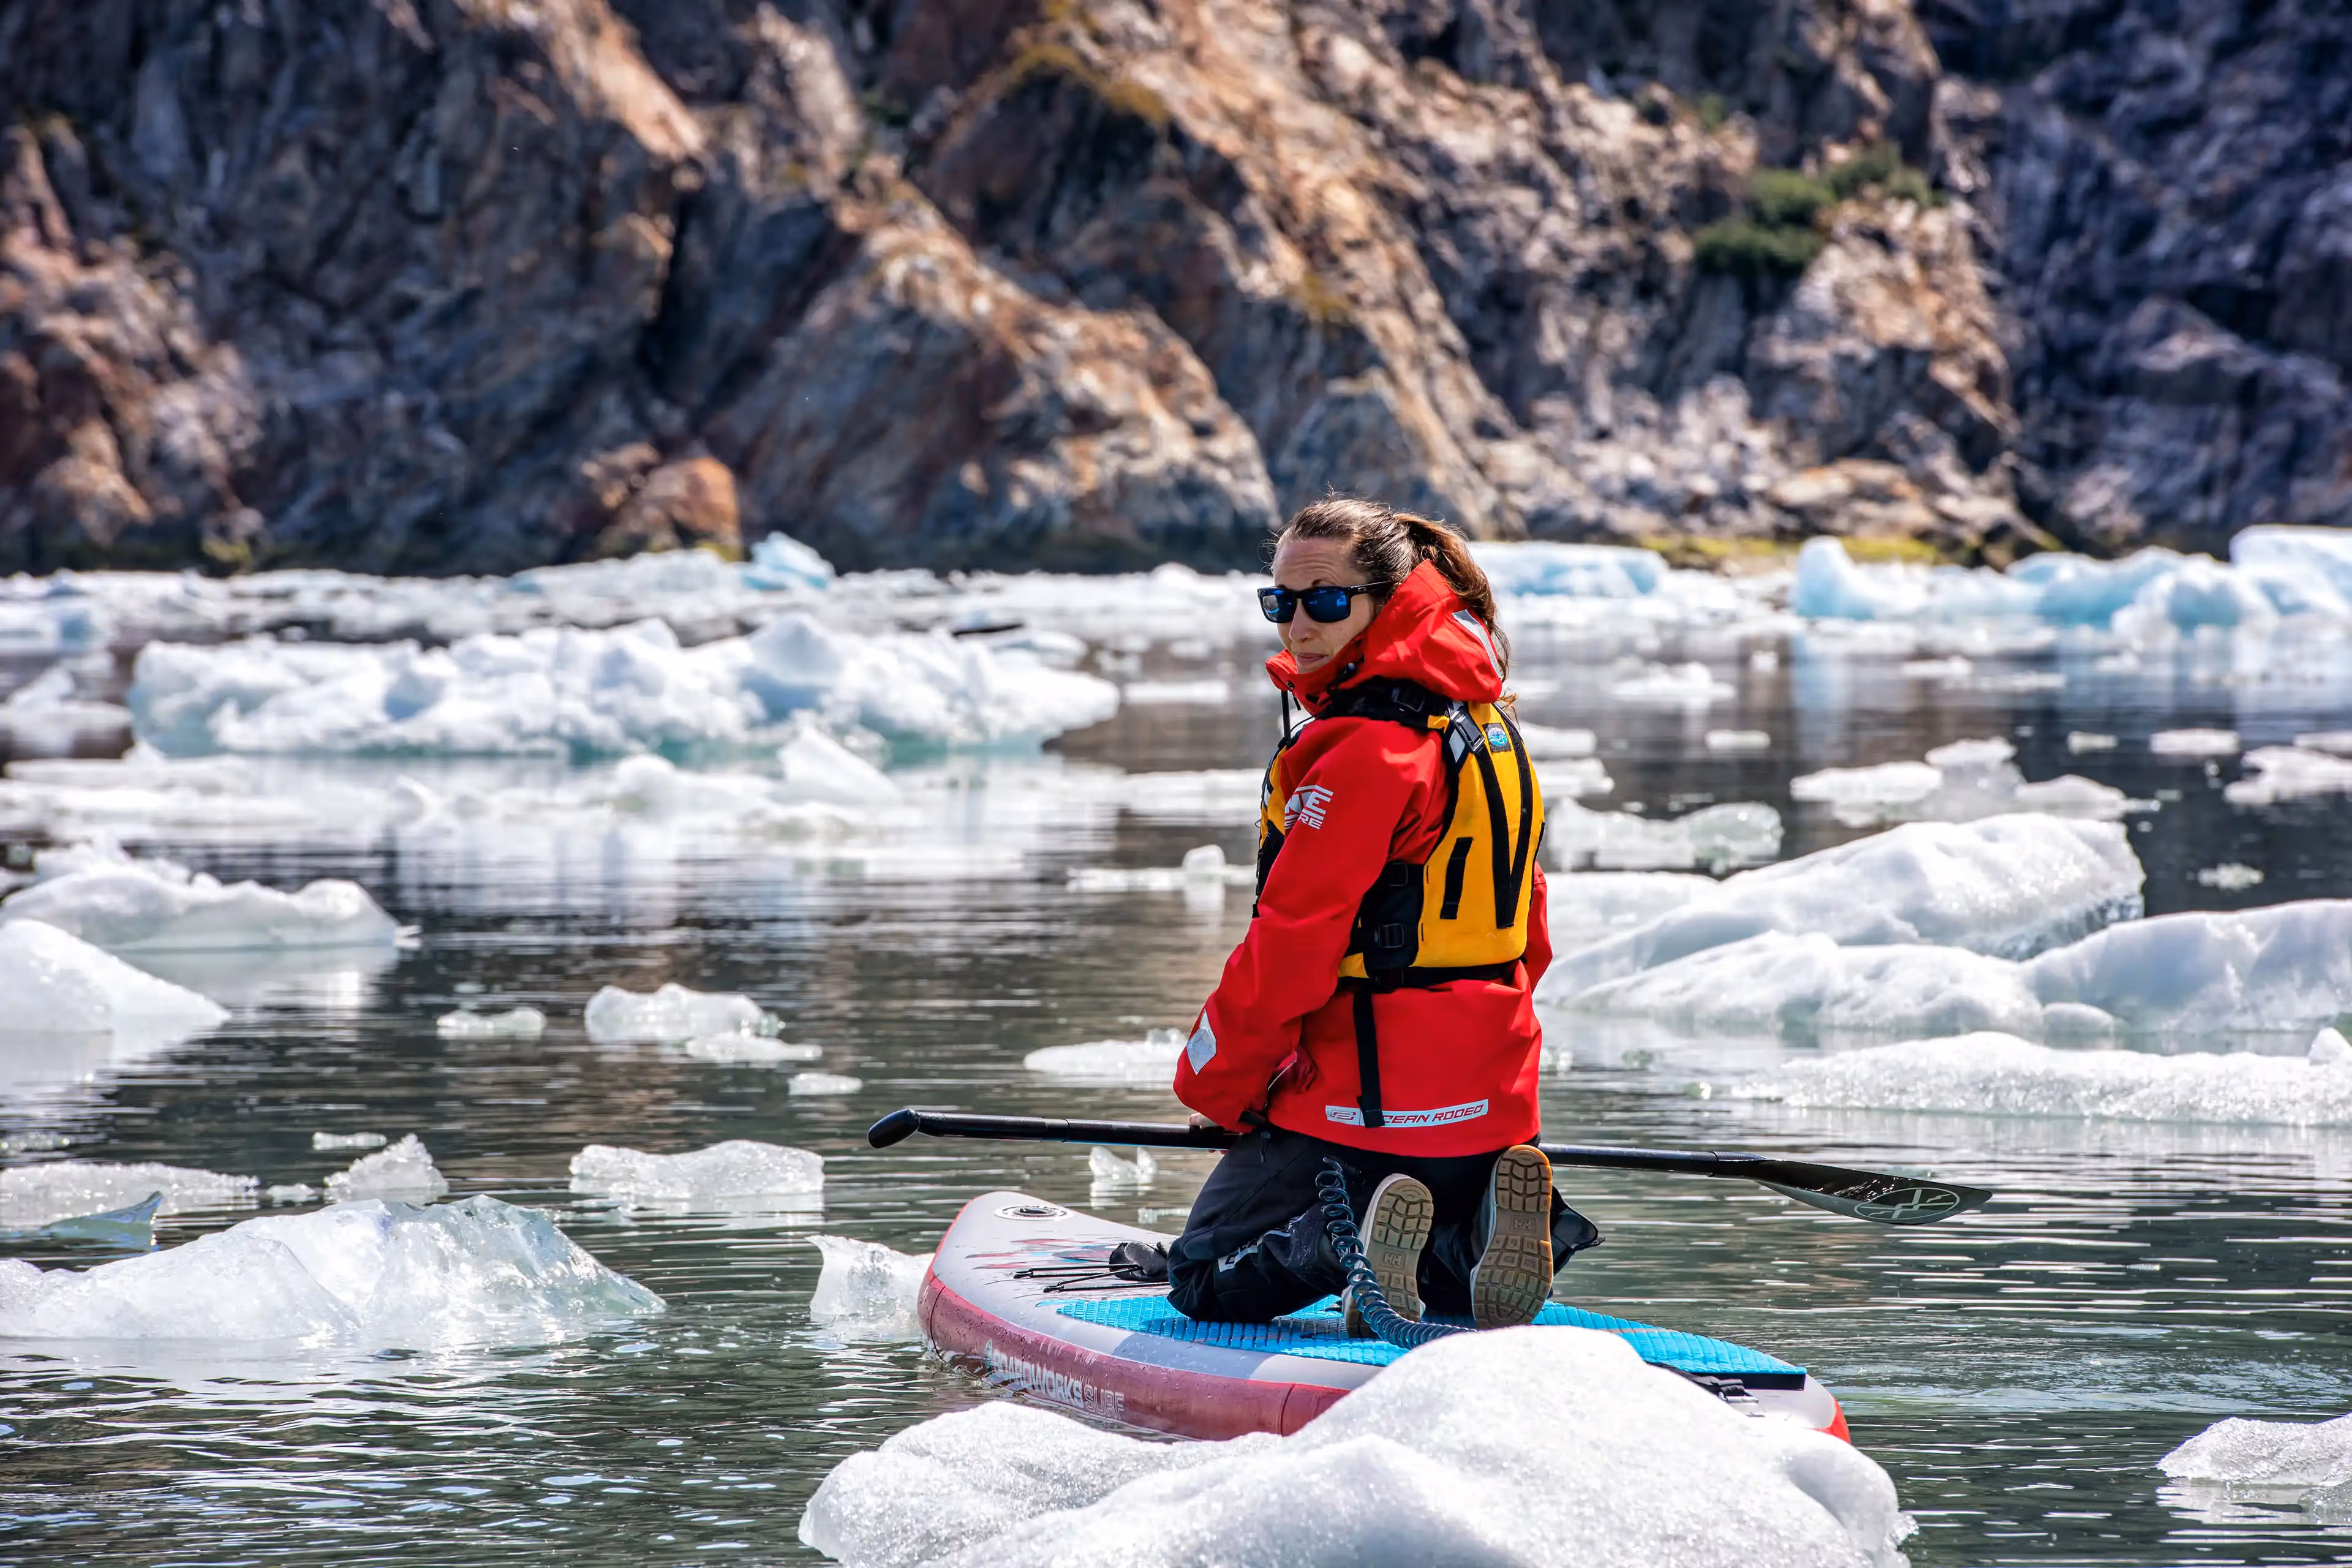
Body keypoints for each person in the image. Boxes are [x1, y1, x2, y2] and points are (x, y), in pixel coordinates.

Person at [1128, 496, 1599, 1335]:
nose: (1298, 624)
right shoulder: (1489, 730)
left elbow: (1291, 951)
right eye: (1281, 602)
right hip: (1492, 1103)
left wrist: (1222, 1089)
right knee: (1450, 1290)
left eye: (1328, 600)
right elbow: (1529, 933)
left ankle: (1345, 1242)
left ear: (1391, 600)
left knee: (1201, 1278)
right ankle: (1461, 1237)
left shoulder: (1361, 751)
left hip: (1363, 1110)